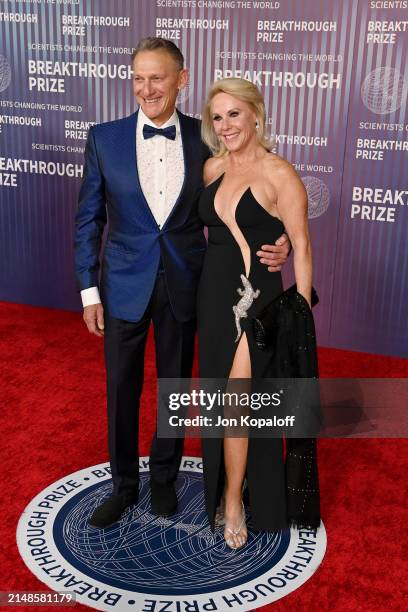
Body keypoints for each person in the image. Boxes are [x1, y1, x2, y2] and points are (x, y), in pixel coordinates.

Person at [74, 37, 290, 529]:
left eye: (157, 78)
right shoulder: (103, 138)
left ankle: (165, 480)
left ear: (181, 80)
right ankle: (124, 484)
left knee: (174, 389)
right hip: (123, 284)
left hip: (188, 285)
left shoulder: (208, 139)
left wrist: (283, 245)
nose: (146, 89)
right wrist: (89, 289)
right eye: (138, 78)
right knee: (121, 389)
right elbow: (88, 220)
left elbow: (255, 199)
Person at [198, 77, 313, 548]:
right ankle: (230, 487)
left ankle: (234, 501)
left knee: (238, 402)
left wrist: (299, 315)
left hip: (259, 301)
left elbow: (302, 246)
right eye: (218, 117)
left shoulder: (279, 172)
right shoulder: (210, 169)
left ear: (256, 114)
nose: (225, 125)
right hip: (213, 296)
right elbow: (219, 237)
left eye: (234, 114)